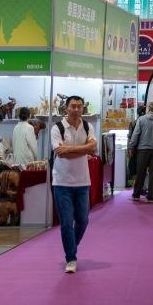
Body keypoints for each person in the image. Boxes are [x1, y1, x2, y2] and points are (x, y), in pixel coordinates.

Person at [51, 95, 96, 274]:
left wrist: (69, 148)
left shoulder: (88, 126)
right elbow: (61, 153)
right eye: (73, 106)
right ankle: (71, 257)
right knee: (67, 222)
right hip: (62, 182)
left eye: (79, 106)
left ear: (83, 108)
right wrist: (84, 149)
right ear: (66, 108)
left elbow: (93, 148)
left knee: (83, 221)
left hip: (83, 181)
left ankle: (71, 246)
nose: (76, 109)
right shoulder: (58, 128)